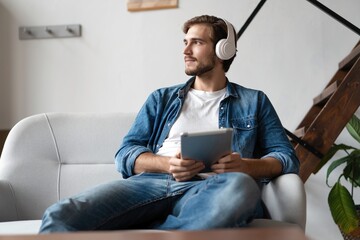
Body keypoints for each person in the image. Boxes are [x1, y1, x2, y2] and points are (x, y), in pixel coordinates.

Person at [39, 15, 299, 233]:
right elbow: (126, 154)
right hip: (152, 183)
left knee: (241, 187)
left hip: (215, 189)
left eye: (196, 42)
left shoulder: (254, 101)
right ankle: (175, 227)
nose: (186, 50)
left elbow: (286, 157)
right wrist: (168, 164)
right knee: (60, 215)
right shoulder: (161, 98)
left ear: (223, 50)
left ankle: (159, 229)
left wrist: (244, 166)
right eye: (185, 42)